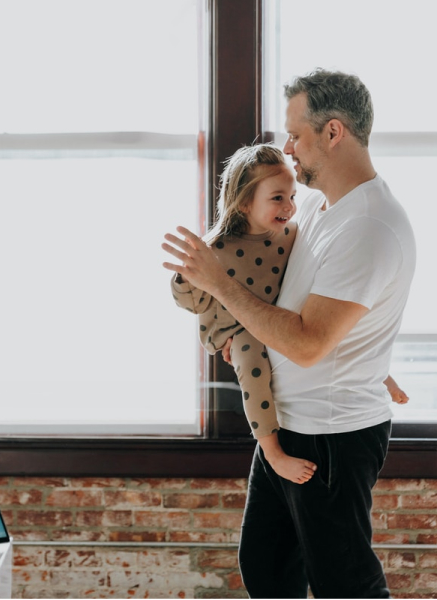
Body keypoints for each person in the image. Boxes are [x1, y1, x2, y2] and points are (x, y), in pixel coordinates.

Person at [161, 68, 416, 598]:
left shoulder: (368, 226)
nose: (289, 147)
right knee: (267, 567)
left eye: (296, 134)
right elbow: (296, 301)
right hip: (289, 425)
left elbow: (306, 342)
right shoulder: (322, 206)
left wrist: (219, 283)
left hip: (331, 436)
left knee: (344, 585)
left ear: (334, 132)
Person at [170, 142, 408, 486]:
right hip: (237, 329)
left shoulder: (290, 234)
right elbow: (190, 301)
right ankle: (272, 451)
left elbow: (329, 306)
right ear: (244, 201)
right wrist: (182, 276)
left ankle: (379, 375)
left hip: (275, 315)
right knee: (252, 361)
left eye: (292, 196)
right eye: (278, 198)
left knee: (326, 317)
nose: (290, 206)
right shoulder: (218, 248)